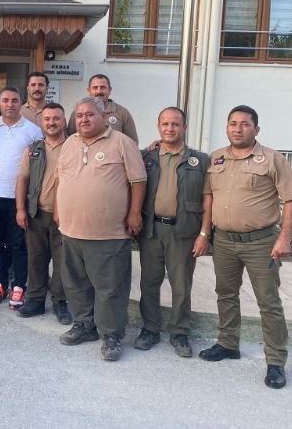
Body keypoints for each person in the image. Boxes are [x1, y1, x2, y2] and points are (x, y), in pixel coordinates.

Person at [200, 105, 292, 390]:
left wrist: (285, 237)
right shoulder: (216, 158)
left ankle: (276, 361)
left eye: (244, 124)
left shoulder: (272, 159)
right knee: (226, 294)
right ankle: (227, 343)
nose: (238, 128)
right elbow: (209, 198)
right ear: (227, 127)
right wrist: (205, 234)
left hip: (261, 243)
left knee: (268, 303)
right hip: (224, 241)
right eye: (233, 123)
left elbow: (291, 199)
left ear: (256, 129)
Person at [55, 96, 146, 362]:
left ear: (103, 117)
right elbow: (61, 179)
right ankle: (84, 325)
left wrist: (134, 213)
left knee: (110, 288)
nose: (83, 119)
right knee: (76, 284)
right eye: (79, 115)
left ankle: (112, 335)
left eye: (89, 114)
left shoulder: (122, 143)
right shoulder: (69, 143)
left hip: (109, 234)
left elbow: (138, 181)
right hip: (71, 231)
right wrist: (59, 210)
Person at [135, 107, 211, 358]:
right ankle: (150, 329)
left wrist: (204, 234)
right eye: (165, 124)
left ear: (184, 128)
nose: (170, 128)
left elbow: (208, 198)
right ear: (159, 127)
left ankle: (179, 332)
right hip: (151, 230)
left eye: (175, 124)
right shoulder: (146, 157)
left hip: (183, 231)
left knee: (181, 285)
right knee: (149, 282)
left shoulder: (200, 160)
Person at [14, 102, 72, 324]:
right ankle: (36, 300)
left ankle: (60, 302)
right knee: (36, 259)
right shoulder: (33, 149)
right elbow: (22, 179)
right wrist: (20, 209)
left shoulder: (74, 147)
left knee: (62, 262)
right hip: (36, 214)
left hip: (65, 216)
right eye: (47, 119)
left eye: (56, 118)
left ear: (64, 121)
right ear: (42, 122)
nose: (52, 122)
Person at [0, 87, 42, 308]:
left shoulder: (33, 131)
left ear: (21, 103)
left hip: (18, 199)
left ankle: (19, 286)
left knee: (18, 244)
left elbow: (38, 164)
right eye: (6, 100)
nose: (10, 104)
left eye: (14, 100)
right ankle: (0, 283)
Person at [67, 74, 138, 143]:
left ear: (110, 90)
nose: (99, 91)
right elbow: (70, 138)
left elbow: (132, 142)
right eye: (95, 88)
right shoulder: (78, 113)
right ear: (89, 91)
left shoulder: (122, 112)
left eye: (103, 87)